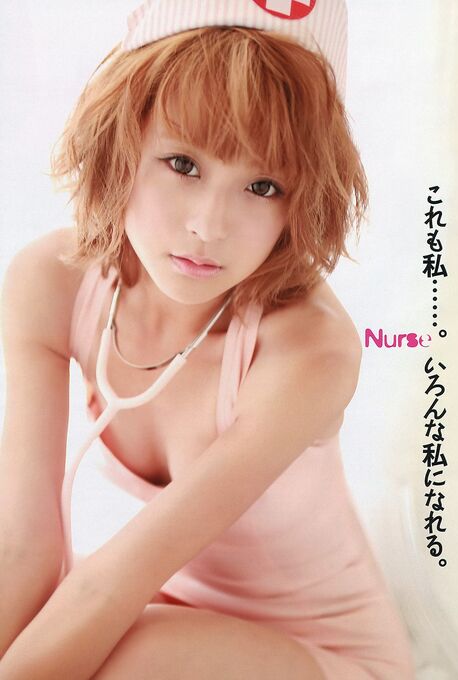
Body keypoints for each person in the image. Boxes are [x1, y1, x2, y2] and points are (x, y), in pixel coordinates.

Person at [0, 1, 415, 678]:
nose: (209, 226)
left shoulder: (307, 350)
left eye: (262, 185)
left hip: (322, 657)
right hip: (168, 615)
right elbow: (23, 549)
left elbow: (114, 582)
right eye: (182, 164)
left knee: (122, 656)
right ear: (121, 140)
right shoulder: (53, 282)